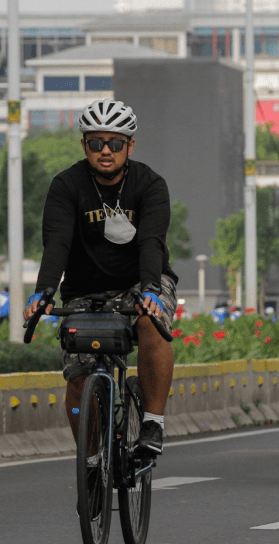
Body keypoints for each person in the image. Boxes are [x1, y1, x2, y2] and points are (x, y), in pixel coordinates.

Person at [23, 98, 177, 457]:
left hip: (142, 282)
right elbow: (57, 243)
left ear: (130, 146)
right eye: (96, 143)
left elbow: (151, 243)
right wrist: (43, 291)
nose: (105, 151)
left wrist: (151, 289)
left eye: (115, 143)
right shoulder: (66, 186)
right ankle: (91, 459)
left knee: (150, 322)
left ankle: (153, 421)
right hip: (84, 291)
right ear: (84, 145)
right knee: (78, 381)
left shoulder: (150, 185)